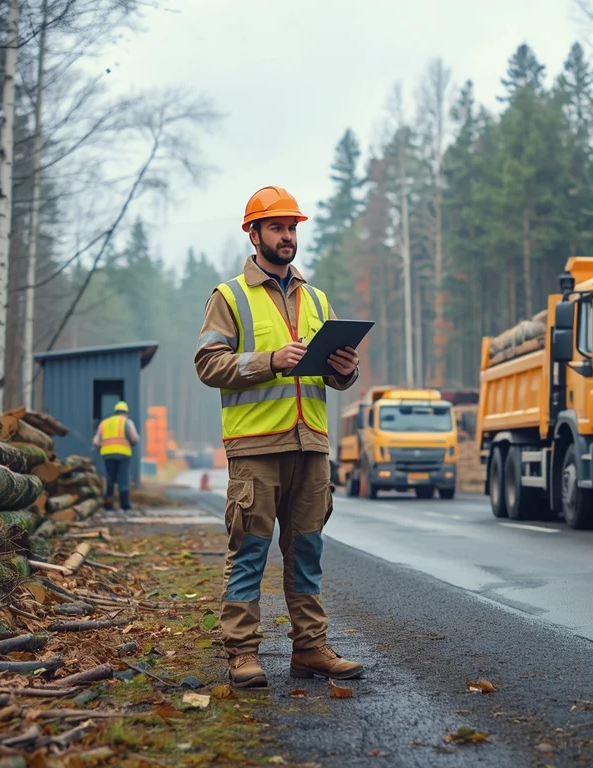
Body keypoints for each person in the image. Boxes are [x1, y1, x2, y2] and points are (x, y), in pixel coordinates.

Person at [194, 185, 363, 689]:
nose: (287, 236)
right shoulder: (228, 297)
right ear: (254, 233)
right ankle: (243, 653)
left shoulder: (316, 299)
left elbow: (332, 377)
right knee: (249, 550)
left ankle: (310, 650)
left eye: (292, 228)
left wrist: (345, 370)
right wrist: (269, 361)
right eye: (277, 227)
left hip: (311, 445)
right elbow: (208, 363)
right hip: (255, 449)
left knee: (306, 551)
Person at [93, 400, 139, 511]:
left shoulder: (104, 423)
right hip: (123, 454)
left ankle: (108, 502)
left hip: (108, 454)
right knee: (123, 478)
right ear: (126, 412)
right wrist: (132, 443)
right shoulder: (127, 422)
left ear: (115, 411)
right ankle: (124, 504)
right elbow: (134, 438)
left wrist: (102, 446)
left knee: (110, 478)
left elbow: (96, 441)